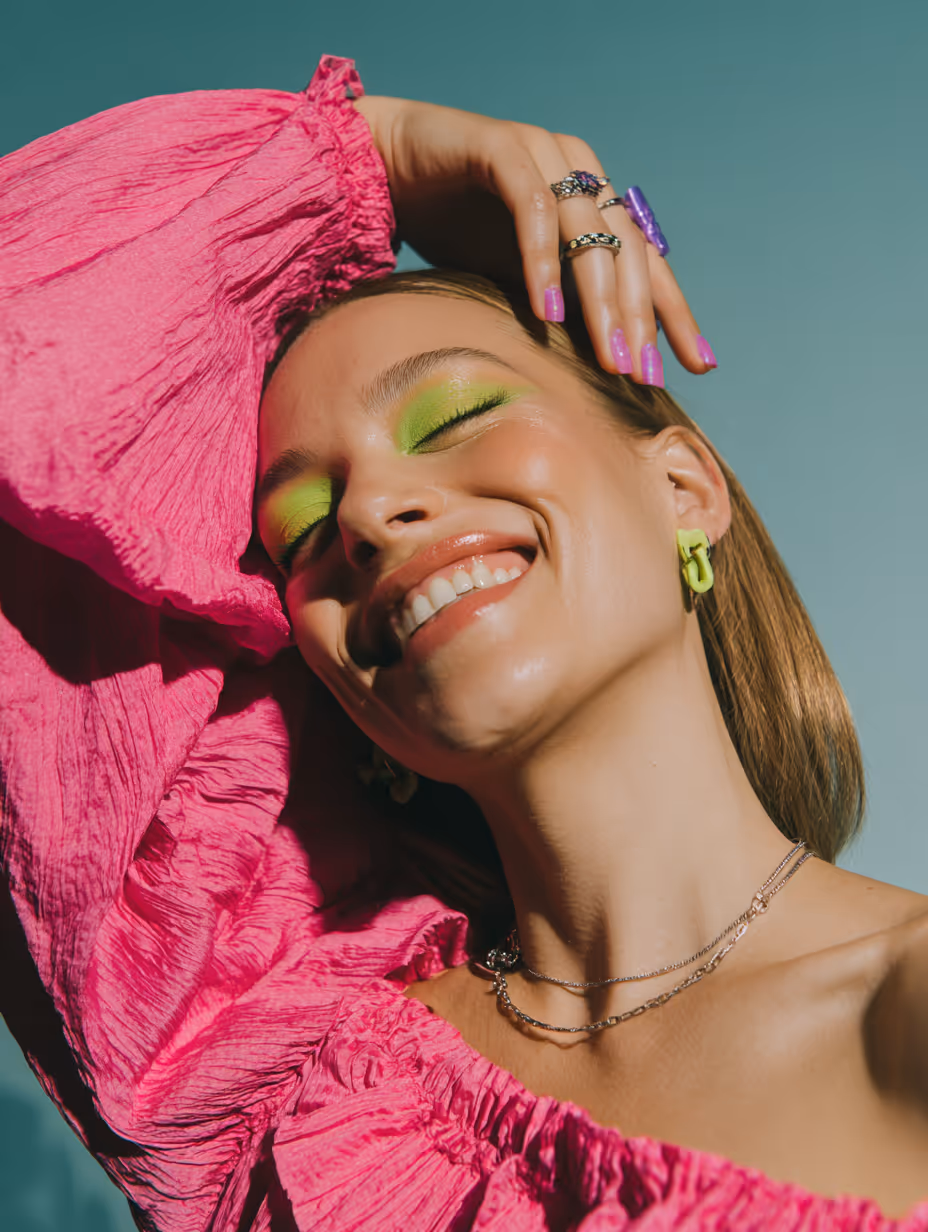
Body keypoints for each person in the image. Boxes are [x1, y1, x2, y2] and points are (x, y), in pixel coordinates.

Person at [0, 53, 926, 1232]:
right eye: (300, 531)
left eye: (455, 415)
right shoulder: (274, 1084)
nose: (373, 515)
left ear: (684, 489)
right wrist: (365, 159)